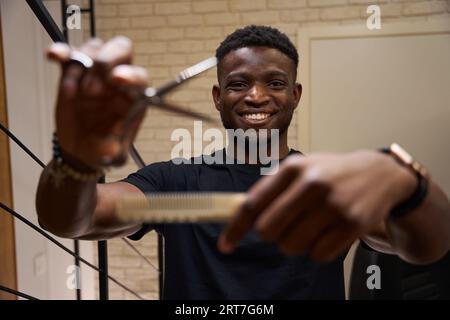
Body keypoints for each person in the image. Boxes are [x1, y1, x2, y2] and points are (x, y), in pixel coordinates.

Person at [36, 25, 450, 299]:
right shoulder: (175, 181)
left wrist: (406, 181)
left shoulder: (324, 187)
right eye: (238, 84)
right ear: (218, 97)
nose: (255, 97)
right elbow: (74, 220)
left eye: (274, 83)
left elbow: (430, 246)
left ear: (295, 94)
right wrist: (74, 158)